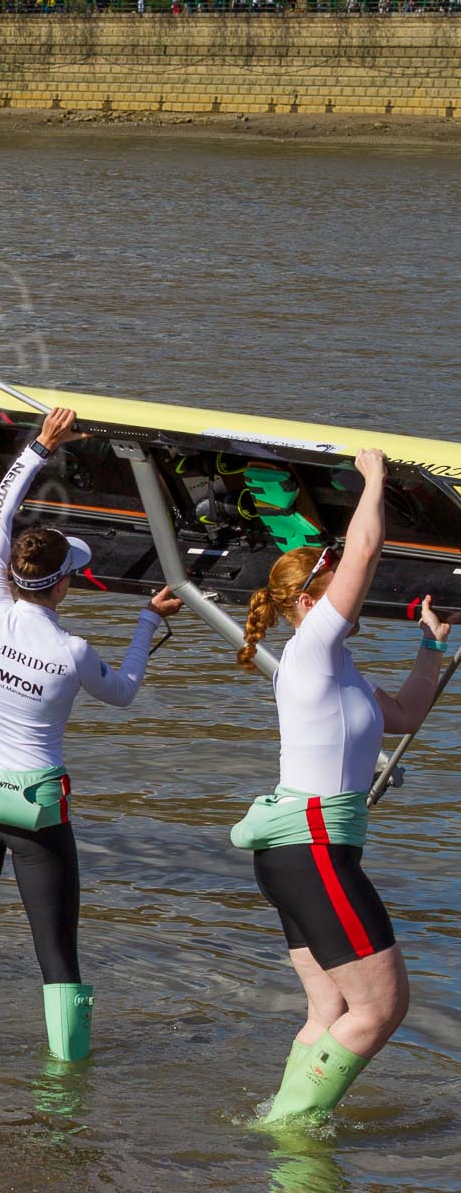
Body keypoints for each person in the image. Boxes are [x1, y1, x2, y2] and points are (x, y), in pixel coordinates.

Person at [0, 407, 178, 1061]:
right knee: (56, 954)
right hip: (36, 816)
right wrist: (146, 627)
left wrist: (38, 445)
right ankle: (67, 1088)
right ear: (64, 583)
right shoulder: (72, 652)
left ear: (16, 573)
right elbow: (123, 692)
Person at [233, 448, 446, 1124]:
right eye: (336, 590)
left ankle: (281, 1120)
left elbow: (407, 714)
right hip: (313, 853)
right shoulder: (311, 652)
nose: (354, 595)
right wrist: (375, 479)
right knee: (382, 1008)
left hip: (307, 855)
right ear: (306, 602)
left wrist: (432, 647)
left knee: (329, 1010)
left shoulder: (341, 672)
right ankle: (289, 1130)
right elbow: (363, 552)